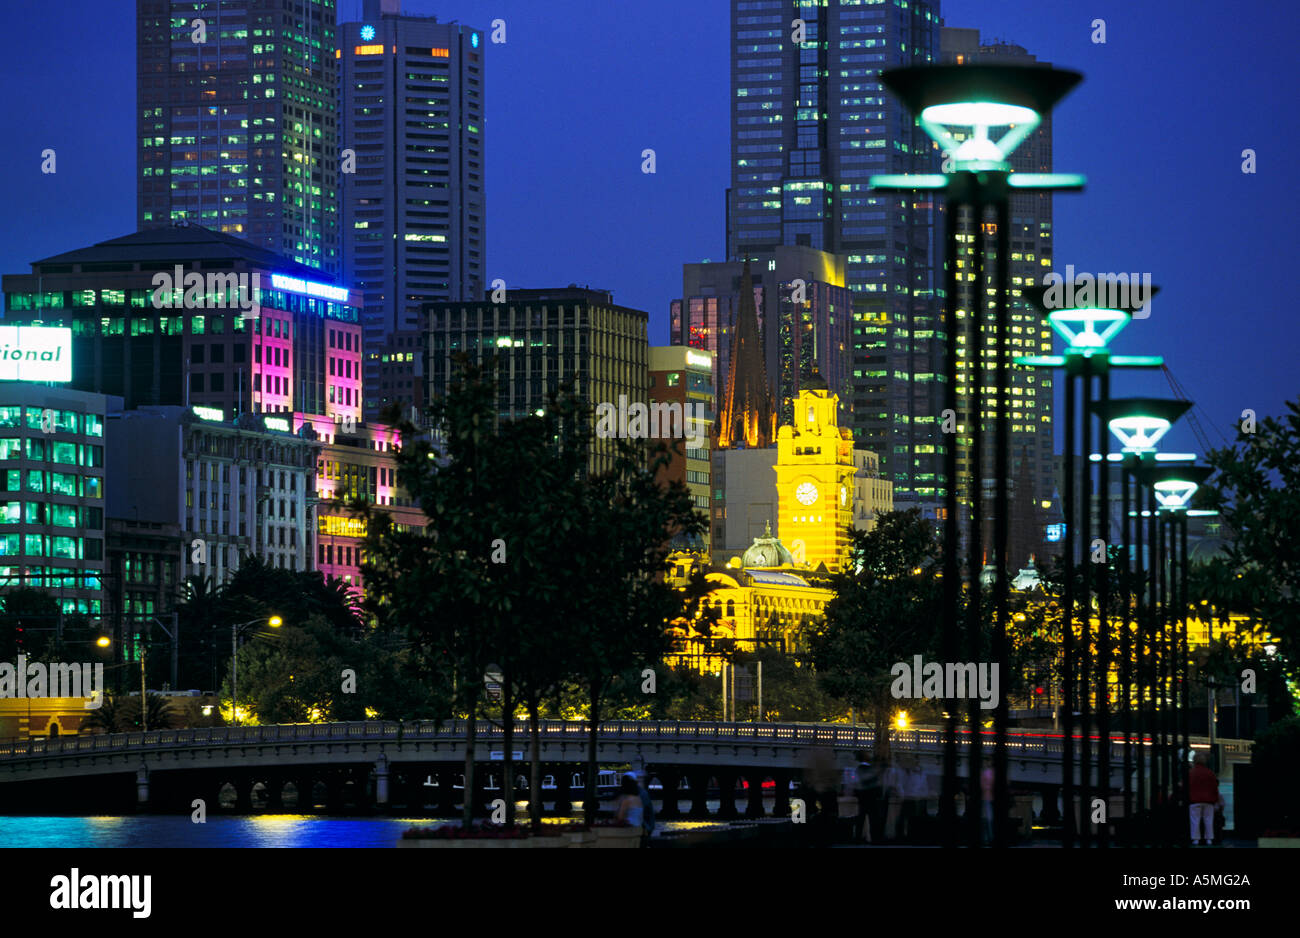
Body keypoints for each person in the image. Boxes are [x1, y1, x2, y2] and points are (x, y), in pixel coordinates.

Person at [1188, 752, 1221, 845]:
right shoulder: (1210, 773)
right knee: (1208, 820)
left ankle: (1195, 839)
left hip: (1194, 800)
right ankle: (1209, 839)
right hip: (1208, 801)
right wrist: (1216, 800)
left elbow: (1186, 786)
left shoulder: (1191, 773)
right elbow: (1214, 787)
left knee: (1195, 820)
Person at [853, 749, 881, 843]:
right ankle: (875, 838)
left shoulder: (858, 769)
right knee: (873, 819)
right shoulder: (869, 769)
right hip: (870, 797)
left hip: (863, 797)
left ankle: (858, 838)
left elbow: (856, 782)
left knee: (861, 819)